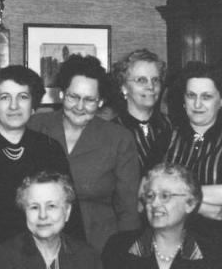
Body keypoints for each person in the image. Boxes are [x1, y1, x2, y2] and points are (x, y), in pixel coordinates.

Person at [28, 54, 140, 253]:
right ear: (61, 94)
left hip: (99, 247)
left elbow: (128, 209)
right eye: (73, 97)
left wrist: (126, 254)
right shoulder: (35, 127)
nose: (80, 107)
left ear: (100, 101)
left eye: (89, 100)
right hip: (38, 242)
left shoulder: (119, 139)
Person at [0, 65, 70, 257]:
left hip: (44, 255)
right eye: (4, 98)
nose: (14, 106)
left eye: (23, 97)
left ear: (33, 106)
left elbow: (69, 211)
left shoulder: (50, 149)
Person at [163, 62, 222, 252]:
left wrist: (172, 196)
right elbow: (145, 192)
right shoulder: (166, 137)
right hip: (169, 245)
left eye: (206, 97)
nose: (197, 104)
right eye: (191, 96)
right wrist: (199, 206)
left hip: (219, 247)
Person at [110, 49, 172, 172]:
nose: (150, 86)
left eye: (155, 80)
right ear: (124, 87)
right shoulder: (110, 132)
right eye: (141, 80)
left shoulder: (172, 126)